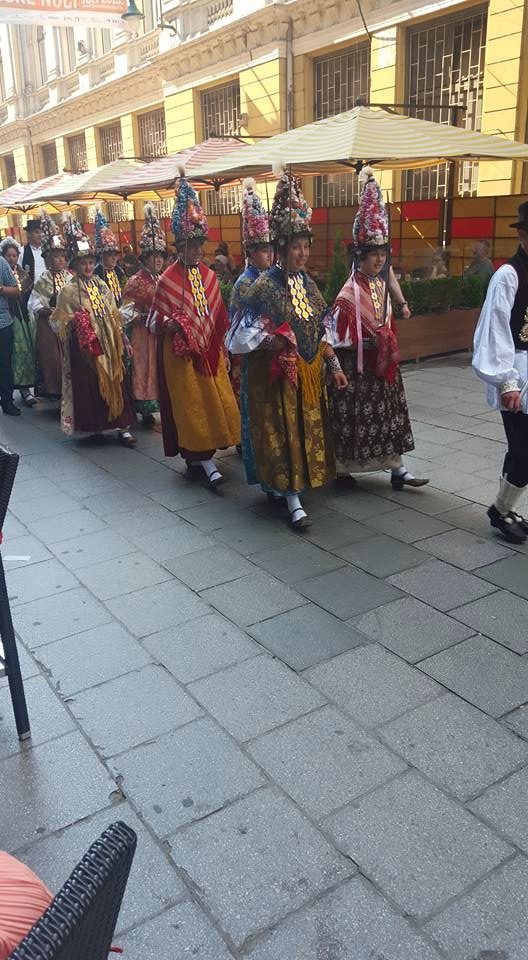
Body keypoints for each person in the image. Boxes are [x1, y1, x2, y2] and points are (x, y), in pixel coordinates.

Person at [228, 168, 346, 528]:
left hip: (306, 375)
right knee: (281, 433)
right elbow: (236, 338)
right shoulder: (261, 286)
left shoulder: (309, 284)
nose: (302, 252)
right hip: (273, 377)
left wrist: (335, 366)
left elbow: (323, 329)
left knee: (302, 431)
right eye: (295, 246)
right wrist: (270, 339)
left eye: (306, 246)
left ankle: (294, 487)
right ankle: (291, 498)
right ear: (280, 248)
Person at [327, 168, 429, 491]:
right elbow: (337, 332)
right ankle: (343, 469)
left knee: (389, 417)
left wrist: (401, 306)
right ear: (361, 256)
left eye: (383, 255)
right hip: (357, 367)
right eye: (374, 255)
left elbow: (391, 294)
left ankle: (397, 468)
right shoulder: (349, 292)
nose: (379, 260)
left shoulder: (381, 283)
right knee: (353, 420)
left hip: (382, 366)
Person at [147, 171, 240, 486]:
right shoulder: (167, 280)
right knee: (191, 407)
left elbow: (217, 317)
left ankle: (207, 455)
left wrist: (223, 349)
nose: (198, 250)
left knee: (215, 402)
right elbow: (152, 321)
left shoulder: (211, 276)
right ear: (179, 245)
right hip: (181, 357)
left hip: (210, 353)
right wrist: (171, 323)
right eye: (192, 244)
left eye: (201, 244)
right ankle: (202, 460)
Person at [50, 217, 136, 445]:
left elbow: (113, 312)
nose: (88, 267)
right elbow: (57, 322)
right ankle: (97, 425)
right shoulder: (68, 290)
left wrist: (120, 335)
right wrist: (75, 321)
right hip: (86, 348)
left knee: (116, 379)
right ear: (75, 265)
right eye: (83, 263)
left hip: (108, 342)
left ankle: (122, 426)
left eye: (90, 262)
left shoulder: (100, 283)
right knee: (92, 385)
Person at [473, 200, 528, 543]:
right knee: (524, 453)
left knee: (520, 450)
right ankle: (499, 510)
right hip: (517, 375)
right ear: (523, 234)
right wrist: (507, 381)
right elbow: (495, 329)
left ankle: (504, 509)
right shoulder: (508, 275)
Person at [228, 178, 272, 405]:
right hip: (250, 354)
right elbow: (242, 328)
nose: (269, 256)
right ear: (251, 253)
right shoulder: (244, 283)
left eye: (270, 250)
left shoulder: (273, 276)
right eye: (264, 251)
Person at [120, 204, 165, 426]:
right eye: (153, 256)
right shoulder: (135, 281)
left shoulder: (163, 279)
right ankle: (143, 408)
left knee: (158, 368)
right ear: (144, 258)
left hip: (160, 332)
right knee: (143, 368)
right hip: (142, 332)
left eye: (161, 256)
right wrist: (143, 315)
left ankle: (159, 403)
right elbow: (125, 312)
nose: (158, 260)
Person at [28, 216, 70, 399]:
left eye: (62, 256)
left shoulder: (70, 277)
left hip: (68, 323)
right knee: (54, 359)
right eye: (55, 256)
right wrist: (49, 311)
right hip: (49, 325)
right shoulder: (44, 278)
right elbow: (35, 302)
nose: (60, 260)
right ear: (47, 259)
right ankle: (57, 392)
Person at [0, 238, 37, 407]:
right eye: (9, 255)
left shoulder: (23, 274)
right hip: (9, 316)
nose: (11, 259)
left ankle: (23, 389)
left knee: (21, 353)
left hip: (19, 316)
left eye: (14, 255)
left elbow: (23, 292)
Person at [0, 250, 21, 415]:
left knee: (4, 365)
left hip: (3, 323)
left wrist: (1, 289)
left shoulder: (1, 263)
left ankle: (7, 401)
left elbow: (15, 290)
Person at [94, 209, 126, 308]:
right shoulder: (97, 273)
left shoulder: (118, 270)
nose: (113, 258)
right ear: (102, 255)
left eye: (115, 255)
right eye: (109, 255)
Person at [19, 219, 45, 290]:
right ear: (28, 234)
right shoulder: (21, 251)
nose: (40, 235)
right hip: (30, 292)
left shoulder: (47, 251)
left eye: (41, 232)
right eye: (36, 232)